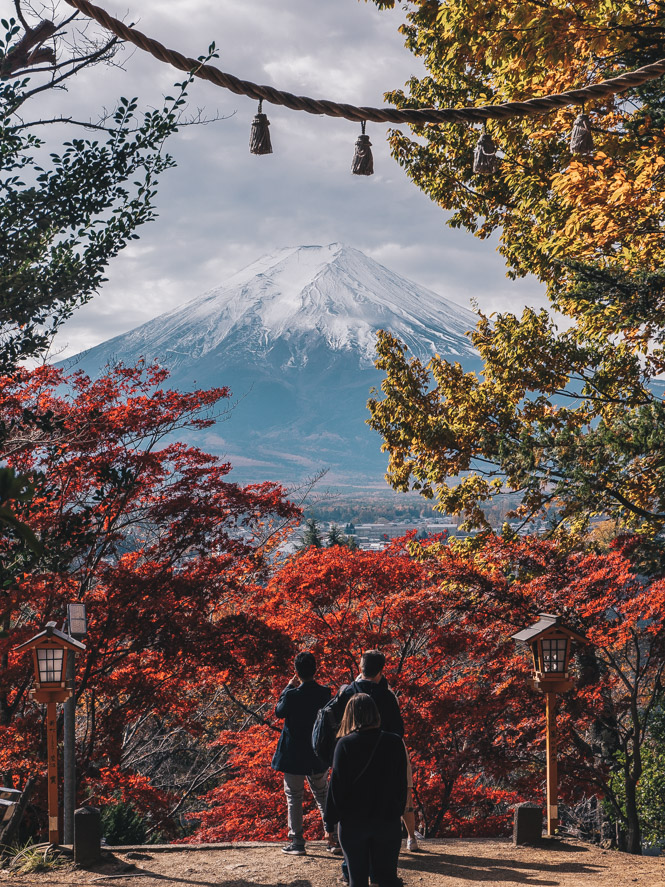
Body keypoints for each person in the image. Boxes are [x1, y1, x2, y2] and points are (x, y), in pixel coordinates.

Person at [326, 693, 407, 887]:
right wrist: (398, 811)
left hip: (354, 823)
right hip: (387, 820)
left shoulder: (344, 745)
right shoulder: (394, 742)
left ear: (350, 716)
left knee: (357, 879)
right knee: (387, 878)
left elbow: (336, 787)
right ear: (376, 713)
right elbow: (401, 785)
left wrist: (330, 823)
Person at [272, 651, 340, 855]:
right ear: (315, 670)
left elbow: (279, 712)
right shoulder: (324, 693)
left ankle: (297, 841)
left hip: (293, 754)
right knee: (323, 794)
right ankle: (333, 838)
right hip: (317, 752)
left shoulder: (292, 695)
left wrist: (287, 687)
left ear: (296, 671)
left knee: (294, 795)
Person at [351, 650, 419, 852]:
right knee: (403, 792)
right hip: (390, 750)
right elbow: (398, 730)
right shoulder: (388, 696)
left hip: (357, 752)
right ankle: (410, 837)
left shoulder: (350, 693)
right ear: (380, 671)